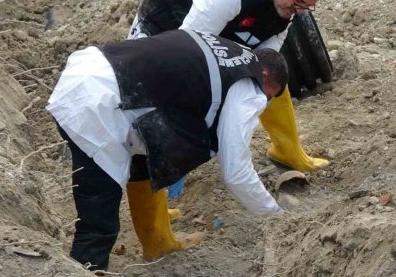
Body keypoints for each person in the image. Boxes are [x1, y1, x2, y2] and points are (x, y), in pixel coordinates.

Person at [47, 29, 287, 271]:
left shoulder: (230, 51)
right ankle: (84, 269)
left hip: (91, 69)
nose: (264, 103)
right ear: (264, 75)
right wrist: (276, 216)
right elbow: (236, 172)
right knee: (99, 223)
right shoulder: (248, 86)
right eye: (269, 96)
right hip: (97, 107)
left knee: (142, 167)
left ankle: (157, 243)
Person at [128, 0, 330, 175]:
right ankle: (156, 204)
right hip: (162, 25)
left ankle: (288, 151)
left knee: (270, 75)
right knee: (151, 109)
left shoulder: (288, 2)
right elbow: (187, 54)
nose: (299, 11)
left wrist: (251, 80)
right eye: (298, 2)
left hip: (222, 25)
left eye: (307, 7)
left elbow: (265, 63)